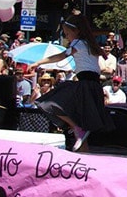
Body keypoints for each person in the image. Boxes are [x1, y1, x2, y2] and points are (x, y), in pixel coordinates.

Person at [28, 13, 114, 152]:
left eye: (67, 33)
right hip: (94, 86)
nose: (67, 37)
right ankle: (80, 139)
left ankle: (75, 127)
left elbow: (61, 56)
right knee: (83, 121)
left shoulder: (77, 43)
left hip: (84, 85)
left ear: (76, 31)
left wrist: (39, 62)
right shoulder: (90, 45)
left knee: (47, 103)